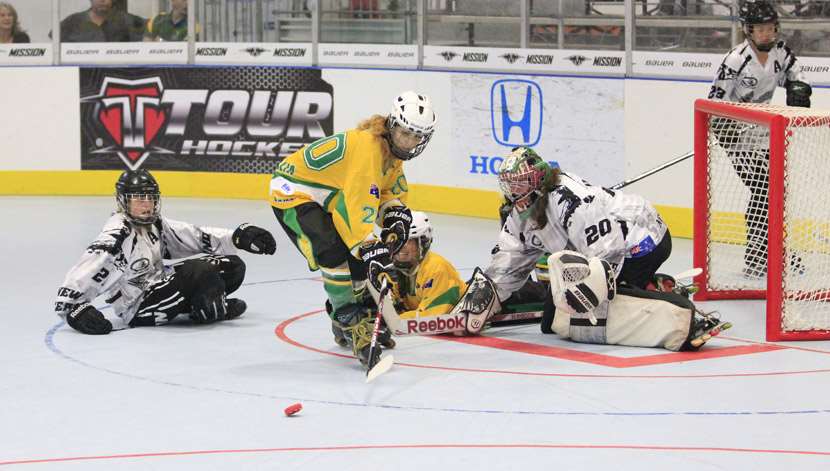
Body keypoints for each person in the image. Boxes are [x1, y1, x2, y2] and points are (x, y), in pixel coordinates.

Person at [462, 146, 729, 351]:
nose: (513, 191)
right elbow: (510, 259)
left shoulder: (575, 203)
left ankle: (684, 316)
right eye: (509, 185)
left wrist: (588, 298)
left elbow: (608, 255)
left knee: (585, 320)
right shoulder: (522, 213)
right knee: (551, 322)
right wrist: (487, 297)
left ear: (538, 179)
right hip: (600, 254)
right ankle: (650, 288)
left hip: (641, 243)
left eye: (520, 183)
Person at [269, 90, 436, 367]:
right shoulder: (367, 151)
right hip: (294, 192)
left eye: (418, 136)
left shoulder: (390, 152)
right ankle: (348, 316)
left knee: (360, 258)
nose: (410, 142)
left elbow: (387, 193)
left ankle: (350, 317)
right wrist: (371, 248)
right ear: (393, 125)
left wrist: (394, 217)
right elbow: (356, 213)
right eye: (406, 133)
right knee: (333, 252)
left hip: (328, 193)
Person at [54, 169, 277, 335]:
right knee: (199, 270)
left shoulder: (155, 224)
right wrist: (74, 311)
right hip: (139, 306)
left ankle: (203, 308)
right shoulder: (115, 237)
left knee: (233, 265)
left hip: (162, 285)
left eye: (150, 197)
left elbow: (194, 236)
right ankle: (205, 310)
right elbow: (83, 272)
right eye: (139, 198)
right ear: (124, 201)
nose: (147, 204)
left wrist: (237, 237)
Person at [707, 0, 811, 278]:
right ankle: (756, 256)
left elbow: (796, 77)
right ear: (748, 31)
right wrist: (721, 126)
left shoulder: (781, 52)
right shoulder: (736, 59)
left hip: (766, 135)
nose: (766, 33)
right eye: (760, 29)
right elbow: (714, 99)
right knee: (763, 189)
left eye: (770, 28)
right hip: (737, 137)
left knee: (774, 192)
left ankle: (774, 251)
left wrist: (799, 89)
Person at [60, 0, 132, 43]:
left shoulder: (124, 19)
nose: (102, 0)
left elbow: (143, 28)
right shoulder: (73, 20)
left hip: (114, 67)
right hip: (82, 67)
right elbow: (52, 41)